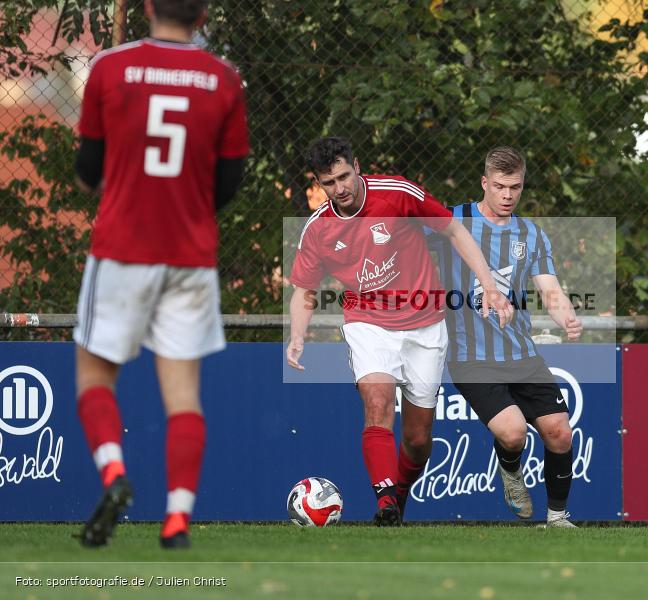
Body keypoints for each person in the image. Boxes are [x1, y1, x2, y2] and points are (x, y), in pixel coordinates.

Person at [72, 0, 249, 549]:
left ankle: (114, 473)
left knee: (95, 378)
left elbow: (86, 172)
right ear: (202, 15)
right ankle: (176, 519)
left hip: (122, 248)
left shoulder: (110, 67)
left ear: (147, 6)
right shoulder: (223, 80)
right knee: (184, 397)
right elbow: (227, 183)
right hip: (190, 255)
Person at [287, 137, 513, 525]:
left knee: (418, 439)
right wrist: (296, 336)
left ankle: (399, 494)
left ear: (357, 165)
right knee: (377, 403)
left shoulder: (397, 193)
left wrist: (489, 285)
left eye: (344, 176)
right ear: (319, 183)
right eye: (329, 182)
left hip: (426, 324)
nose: (339, 188)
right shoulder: (318, 230)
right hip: (368, 322)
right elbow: (304, 291)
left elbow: (455, 231)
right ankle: (385, 501)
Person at [432, 146, 582, 528]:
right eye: (499, 186)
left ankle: (558, 518)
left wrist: (566, 315)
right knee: (513, 433)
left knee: (559, 432)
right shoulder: (453, 220)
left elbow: (549, 288)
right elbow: (405, 240)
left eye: (514, 187)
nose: (507, 195)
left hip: (521, 354)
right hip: (471, 356)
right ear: (485, 183)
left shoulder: (531, 234)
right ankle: (511, 470)